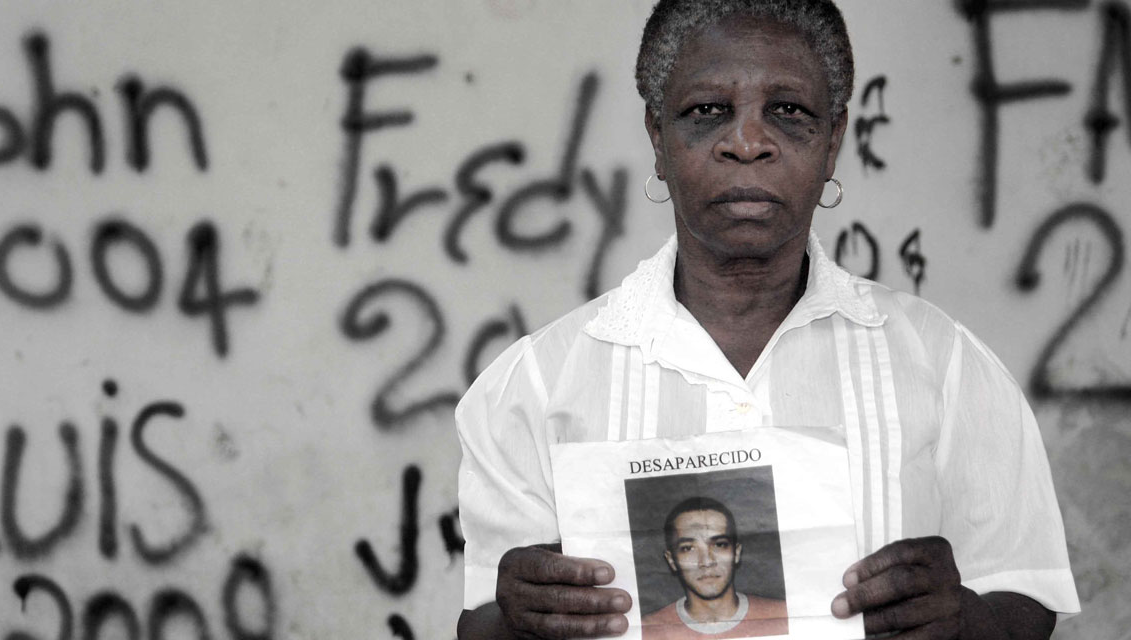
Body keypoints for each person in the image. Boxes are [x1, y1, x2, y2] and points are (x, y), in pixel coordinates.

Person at [455, 1, 1080, 639]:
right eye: (707, 111)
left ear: (832, 142)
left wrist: (966, 619)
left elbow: (1026, 596)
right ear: (658, 139)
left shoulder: (943, 364)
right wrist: (516, 620)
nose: (748, 143)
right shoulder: (535, 383)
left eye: (788, 110)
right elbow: (478, 625)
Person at [642, 497, 787, 639]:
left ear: (736, 553)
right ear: (672, 561)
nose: (706, 561)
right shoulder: (647, 631)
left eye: (719, 544)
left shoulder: (784, 615)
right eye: (688, 548)